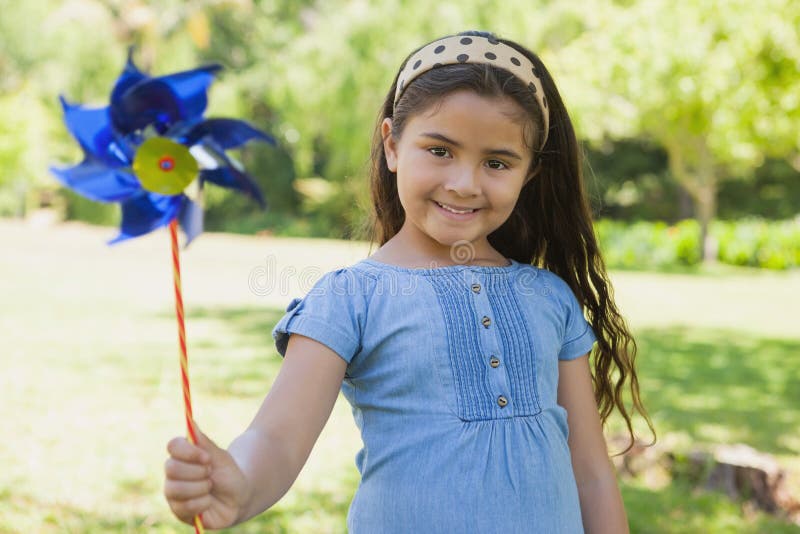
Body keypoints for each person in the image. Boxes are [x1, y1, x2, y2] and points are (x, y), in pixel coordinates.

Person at [163, 30, 655, 533]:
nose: (464, 183)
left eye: (496, 162)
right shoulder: (350, 298)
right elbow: (276, 440)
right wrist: (239, 484)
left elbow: (591, 475)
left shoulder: (550, 298)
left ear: (527, 174)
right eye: (440, 151)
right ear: (393, 144)